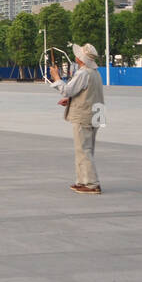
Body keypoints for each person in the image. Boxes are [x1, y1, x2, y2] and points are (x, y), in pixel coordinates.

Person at [49, 43, 105, 194]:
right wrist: (71, 100)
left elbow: (67, 90)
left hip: (84, 115)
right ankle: (82, 181)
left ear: (81, 58)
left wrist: (56, 77)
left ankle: (92, 184)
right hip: (96, 114)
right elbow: (87, 93)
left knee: (83, 150)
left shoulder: (83, 73)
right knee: (87, 149)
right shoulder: (95, 73)